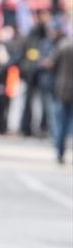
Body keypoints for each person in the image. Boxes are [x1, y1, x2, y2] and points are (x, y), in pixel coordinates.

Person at [53, 33, 73, 164]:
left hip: (62, 89)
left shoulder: (64, 46)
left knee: (60, 123)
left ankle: (60, 153)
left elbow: (53, 64)